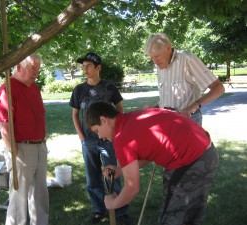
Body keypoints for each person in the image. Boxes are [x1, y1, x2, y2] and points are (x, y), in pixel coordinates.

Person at [85, 101, 219, 225]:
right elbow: (151, 151)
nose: (100, 137)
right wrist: (120, 170)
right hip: (206, 152)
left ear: (104, 120)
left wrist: (113, 203)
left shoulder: (121, 139)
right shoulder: (131, 118)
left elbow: (132, 188)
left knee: (172, 219)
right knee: (191, 215)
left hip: (191, 161)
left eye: (97, 131)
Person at [69, 52, 130, 224]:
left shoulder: (109, 87)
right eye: (84, 66)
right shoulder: (79, 90)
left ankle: (119, 209)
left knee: (112, 173)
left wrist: (115, 131)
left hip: (108, 140)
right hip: (88, 140)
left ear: (98, 68)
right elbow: (75, 114)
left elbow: (119, 109)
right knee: (92, 175)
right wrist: (81, 135)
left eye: (89, 66)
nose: (85, 69)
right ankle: (99, 209)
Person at [0, 54, 49, 225]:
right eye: (32, 68)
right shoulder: (7, 89)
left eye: (38, 69)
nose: (36, 73)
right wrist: (13, 151)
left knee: (40, 194)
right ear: (19, 67)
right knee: (19, 196)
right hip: (21, 149)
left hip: (39, 146)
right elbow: (4, 126)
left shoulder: (33, 87)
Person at [144, 33, 225, 125]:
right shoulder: (160, 65)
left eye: (157, 56)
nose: (155, 61)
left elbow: (219, 88)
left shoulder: (187, 58)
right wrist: (155, 108)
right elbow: (168, 99)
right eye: (152, 57)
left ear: (168, 48)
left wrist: (192, 107)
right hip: (167, 120)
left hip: (189, 120)